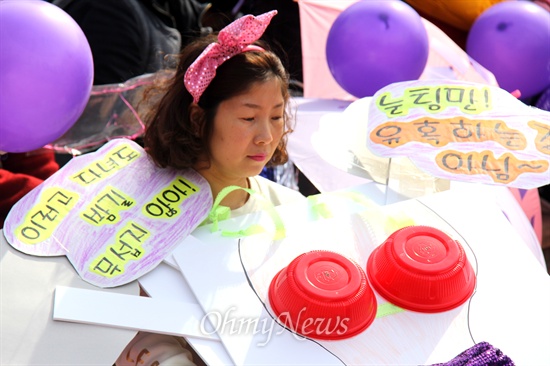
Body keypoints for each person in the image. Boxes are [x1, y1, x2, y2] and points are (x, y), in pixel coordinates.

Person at [115, 10, 305, 365]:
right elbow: (125, 330)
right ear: (199, 118)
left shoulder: (291, 210)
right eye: (248, 118)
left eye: (277, 116)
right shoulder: (140, 212)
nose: (266, 136)